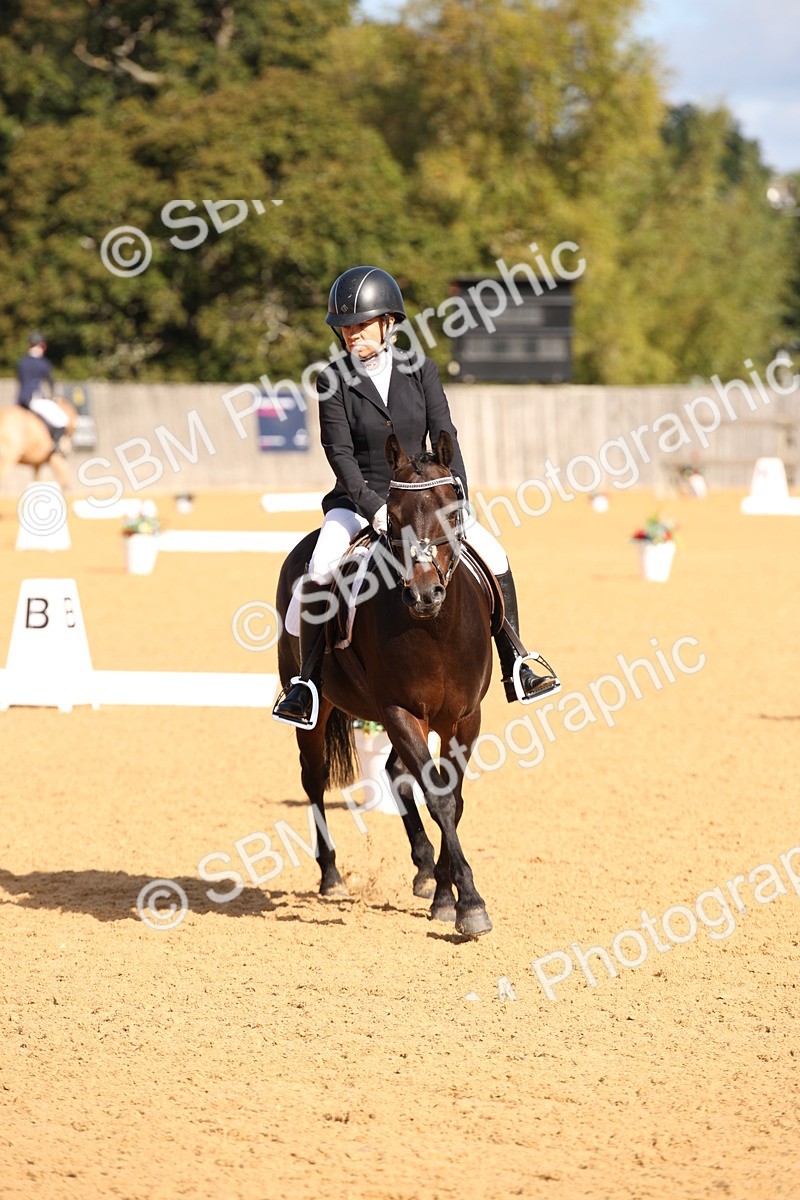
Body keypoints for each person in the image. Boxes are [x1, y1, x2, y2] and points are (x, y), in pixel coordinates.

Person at [272, 265, 561, 728]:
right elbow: (339, 454)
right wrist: (373, 508)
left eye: (361, 325)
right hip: (358, 499)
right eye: (345, 327)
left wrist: (457, 496)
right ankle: (306, 684)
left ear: (388, 323)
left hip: (425, 498)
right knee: (322, 565)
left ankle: (516, 661)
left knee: (496, 554)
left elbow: (445, 433)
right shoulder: (332, 380)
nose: (352, 334)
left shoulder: (420, 370)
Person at [16, 331, 69, 450]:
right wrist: (54, 396)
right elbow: (50, 383)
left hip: (21, 400)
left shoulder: (21, 362)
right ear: (43, 346)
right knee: (62, 419)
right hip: (34, 399)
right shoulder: (43, 363)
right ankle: (54, 445)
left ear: (29, 345)